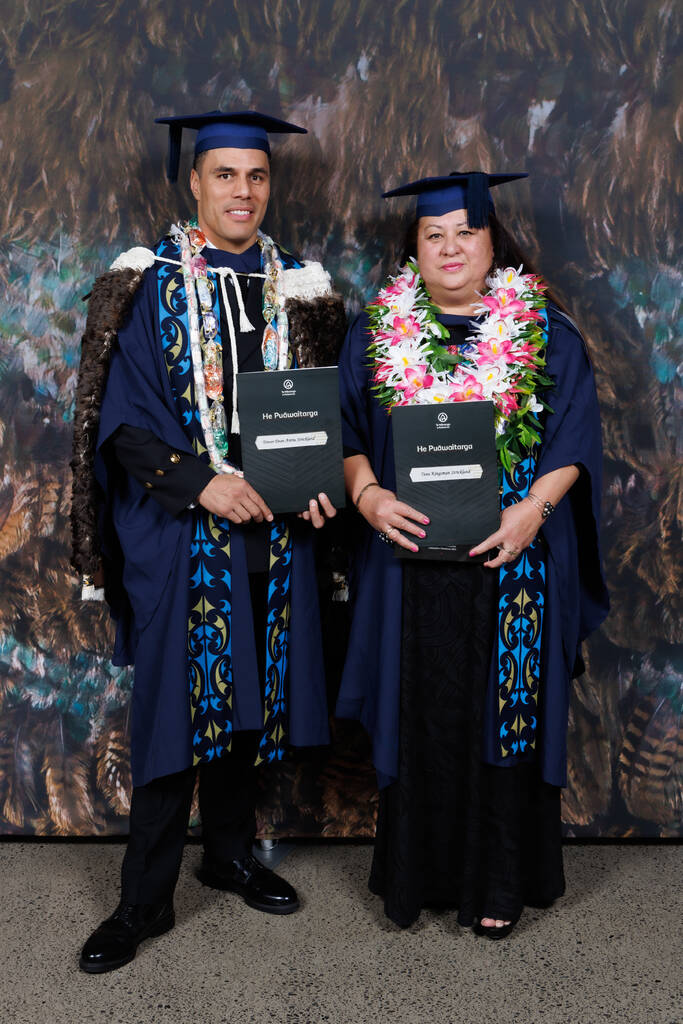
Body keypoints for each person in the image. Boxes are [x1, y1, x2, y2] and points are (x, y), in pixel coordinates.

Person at [71, 110, 346, 973]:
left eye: (256, 176)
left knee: (248, 701)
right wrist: (206, 484)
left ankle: (228, 855)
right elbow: (118, 425)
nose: (242, 191)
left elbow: (327, 413)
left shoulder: (299, 285)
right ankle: (141, 903)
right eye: (224, 175)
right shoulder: (146, 282)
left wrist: (320, 483)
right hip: (181, 533)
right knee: (171, 711)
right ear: (194, 182)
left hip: (274, 536)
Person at [336, 171, 609, 937]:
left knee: (503, 713)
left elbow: (574, 441)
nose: (450, 246)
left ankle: (497, 883)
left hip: (513, 558)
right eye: (433, 234)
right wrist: (366, 496)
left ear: (493, 240)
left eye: (465, 230)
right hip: (409, 564)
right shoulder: (372, 334)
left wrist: (532, 511)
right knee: (416, 704)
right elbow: (348, 438)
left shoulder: (547, 334)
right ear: (413, 248)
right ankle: (412, 878)